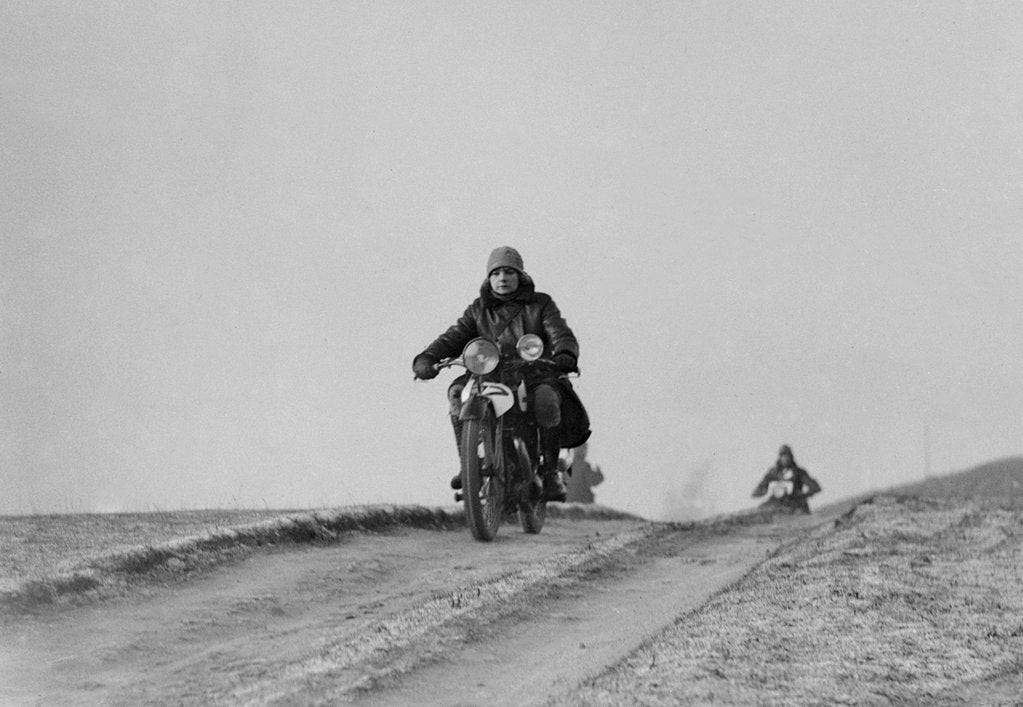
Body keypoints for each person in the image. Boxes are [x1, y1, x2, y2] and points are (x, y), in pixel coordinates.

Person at [412, 246, 582, 502]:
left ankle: (549, 473)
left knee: (546, 399)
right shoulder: (478, 309)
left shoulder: (540, 304)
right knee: (457, 393)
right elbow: (454, 336)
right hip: (488, 373)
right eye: (496, 273)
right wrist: (427, 359)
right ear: (488, 278)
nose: (502, 278)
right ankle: (468, 465)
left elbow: (559, 332)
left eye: (509, 272)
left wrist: (564, 353)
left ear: (521, 276)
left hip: (533, 373)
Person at [751, 444, 821, 514]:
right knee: (761, 511)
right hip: (776, 503)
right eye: (783, 456)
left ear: (791, 457)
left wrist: (800, 495)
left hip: (795, 503)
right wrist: (769, 490)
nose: (785, 458)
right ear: (780, 457)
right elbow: (756, 492)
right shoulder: (773, 473)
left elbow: (815, 487)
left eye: (787, 456)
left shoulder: (798, 473)